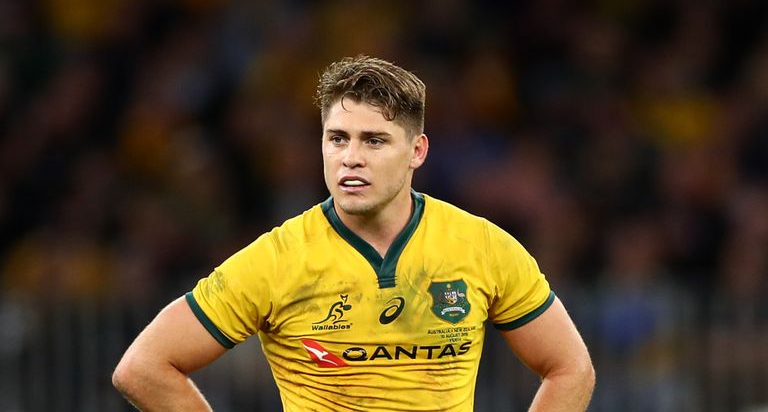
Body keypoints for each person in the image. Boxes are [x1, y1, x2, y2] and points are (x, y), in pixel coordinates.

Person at [112, 55, 595, 411]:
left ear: (417, 151)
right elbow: (144, 367)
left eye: (375, 140)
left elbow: (571, 368)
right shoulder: (278, 259)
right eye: (337, 138)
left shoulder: (482, 247)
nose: (351, 158)